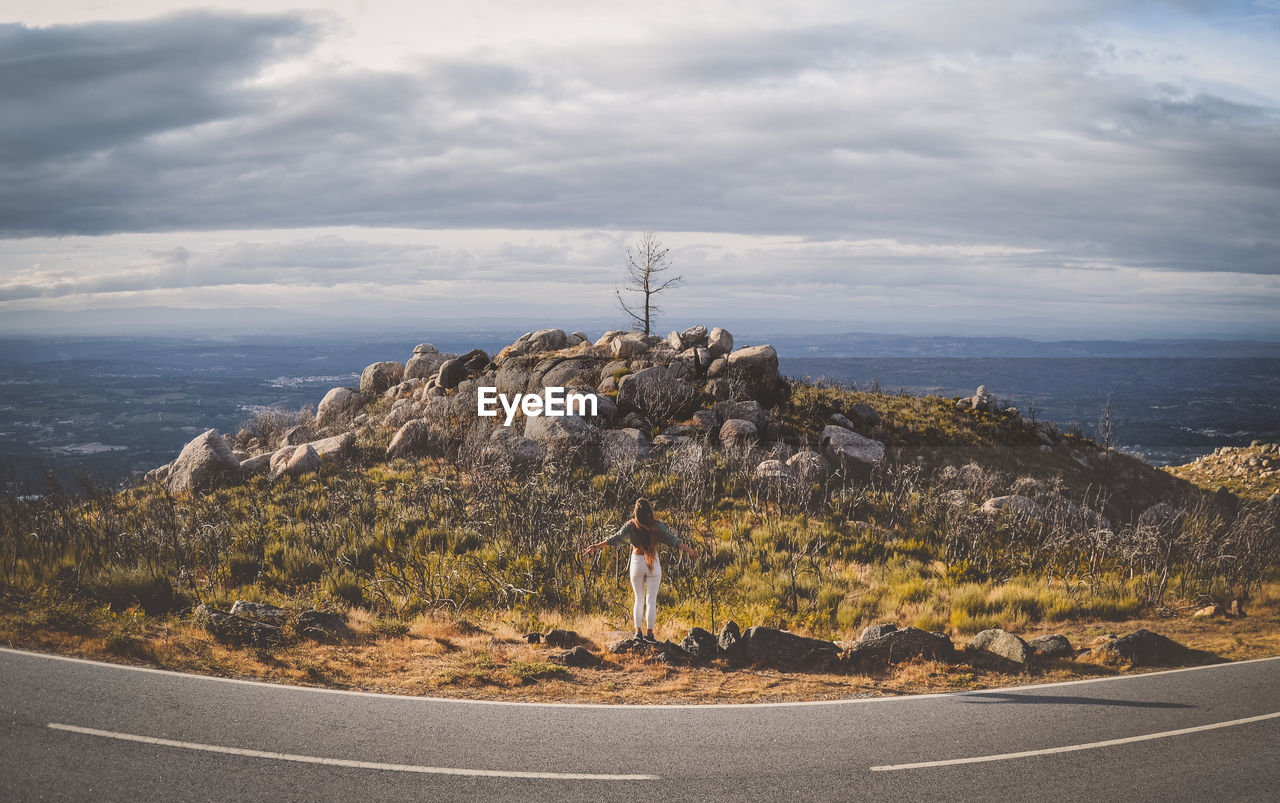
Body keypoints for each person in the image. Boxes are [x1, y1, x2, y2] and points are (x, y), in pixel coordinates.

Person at [582, 497, 696, 643]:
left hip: (637, 563)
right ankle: (650, 635)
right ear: (650, 512)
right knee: (651, 600)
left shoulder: (630, 525)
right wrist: (689, 550)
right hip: (653, 563)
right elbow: (673, 540)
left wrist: (595, 546)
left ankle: (638, 633)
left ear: (636, 513)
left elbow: (614, 539)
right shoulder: (658, 526)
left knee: (639, 598)